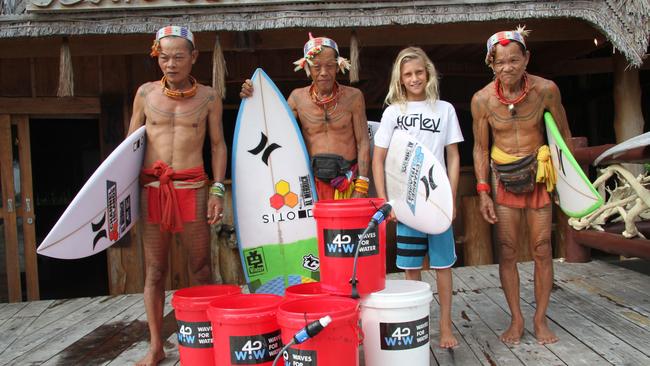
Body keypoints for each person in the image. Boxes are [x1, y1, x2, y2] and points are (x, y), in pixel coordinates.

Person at [127, 26, 227, 366]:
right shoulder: (144, 94)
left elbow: (217, 145)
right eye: (164, 57)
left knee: (201, 268)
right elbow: (130, 148)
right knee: (155, 271)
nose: (171, 64)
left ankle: (206, 342)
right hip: (153, 190)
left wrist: (217, 189)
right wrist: (124, 201)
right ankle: (156, 346)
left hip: (193, 189)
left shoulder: (210, 97)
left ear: (194, 58)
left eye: (179, 57)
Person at [471, 26, 572, 345]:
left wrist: (567, 184)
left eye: (514, 60)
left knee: (543, 248)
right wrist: (483, 189)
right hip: (503, 179)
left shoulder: (546, 90)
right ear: (492, 64)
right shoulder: (482, 100)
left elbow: (563, 138)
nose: (508, 68)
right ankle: (516, 320)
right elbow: (480, 148)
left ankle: (540, 320)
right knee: (508, 251)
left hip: (539, 176)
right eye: (500, 63)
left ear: (526, 59)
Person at [373, 47, 463, 349]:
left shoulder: (445, 109)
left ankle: (446, 327)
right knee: (411, 267)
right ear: (400, 79)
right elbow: (379, 159)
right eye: (408, 74)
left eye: (419, 73)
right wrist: (386, 201)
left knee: (442, 266)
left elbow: (452, 156)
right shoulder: (392, 112)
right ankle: (417, 323)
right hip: (405, 202)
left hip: (436, 201)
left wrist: (450, 198)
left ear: (429, 73)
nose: (414, 79)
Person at [240, 33, 371, 199]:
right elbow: (271, 129)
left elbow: (363, 141)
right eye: (317, 67)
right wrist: (253, 98)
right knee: (317, 226)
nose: (324, 72)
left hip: (347, 181)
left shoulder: (354, 97)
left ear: (338, 66)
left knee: (348, 225)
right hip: (312, 181)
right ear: (307, 68)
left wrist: (362, 184)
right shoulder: (297, 98)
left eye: (330, 66)